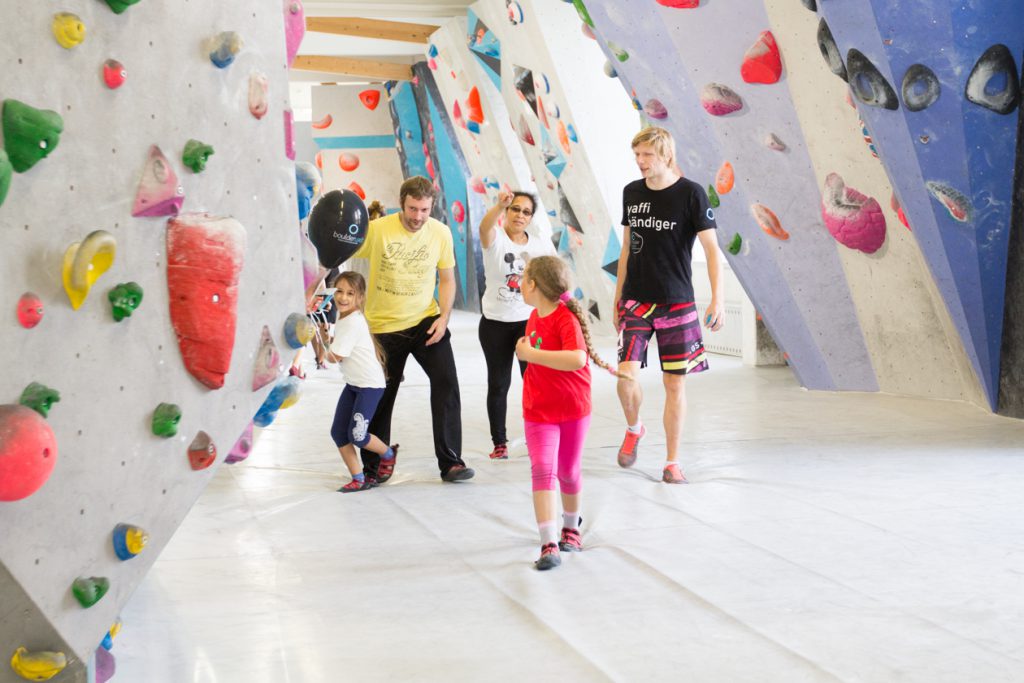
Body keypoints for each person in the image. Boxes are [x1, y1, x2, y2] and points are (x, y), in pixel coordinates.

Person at [614, 126, 724, 484]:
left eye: (646, 155)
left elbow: (711, 249)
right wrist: (618, 294)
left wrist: (718, 299)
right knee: (625, 376)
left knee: (674, 385)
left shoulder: (691, 194)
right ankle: (634, 428)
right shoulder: (631, 193)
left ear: (665, 155)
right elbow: (628, 246)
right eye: (637, 155)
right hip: (636, 300)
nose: (640, 162)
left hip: (678, 302)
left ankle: (672, 461)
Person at [351, 176, 473, 483]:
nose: (418, 217)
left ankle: (451, 462)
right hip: (383, 327)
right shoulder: (378, 230)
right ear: (401, 202)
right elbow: (343, 248)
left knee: (446, 382)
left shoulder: (440, 233)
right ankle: (376, 464)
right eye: (412, 209)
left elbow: (447, 279)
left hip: (425, 321)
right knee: (381, 396)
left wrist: (444, 318)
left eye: (424, 210)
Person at [515, 256, 630, 571]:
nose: (520, 284)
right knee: (542, 468)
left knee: (567, 470)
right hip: (538, 410)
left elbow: (577, 359)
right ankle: (548, 541)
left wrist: (529, 354)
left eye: (524, 278)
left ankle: (571, 527)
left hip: (572, 409)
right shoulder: (534, 316)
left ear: (535, 285)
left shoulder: (565, 318)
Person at [478, 189, 556, 460]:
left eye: (526, 212)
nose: (520, 215)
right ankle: (499, 442)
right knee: (499, 384)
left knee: (534, 382)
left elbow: (555, 276)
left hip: (529, 323)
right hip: (495, 324)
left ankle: (541, 435)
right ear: (507, 212)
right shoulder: (496, 238)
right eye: (515, 209)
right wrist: (499, 205)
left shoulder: (539, 243)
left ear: (531, 217)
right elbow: (485, 226)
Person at [324, 272, 398, 492]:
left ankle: (388, 454)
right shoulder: (344, 316)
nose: (343, 298)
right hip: (354, 384)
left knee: (357, 435)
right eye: (339, 291)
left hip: (369, 387)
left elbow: (334, 356)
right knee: (339, 432)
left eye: (350, 293)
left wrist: (318, 342)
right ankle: (358, 478)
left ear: (360, 297)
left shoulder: (354, 322)